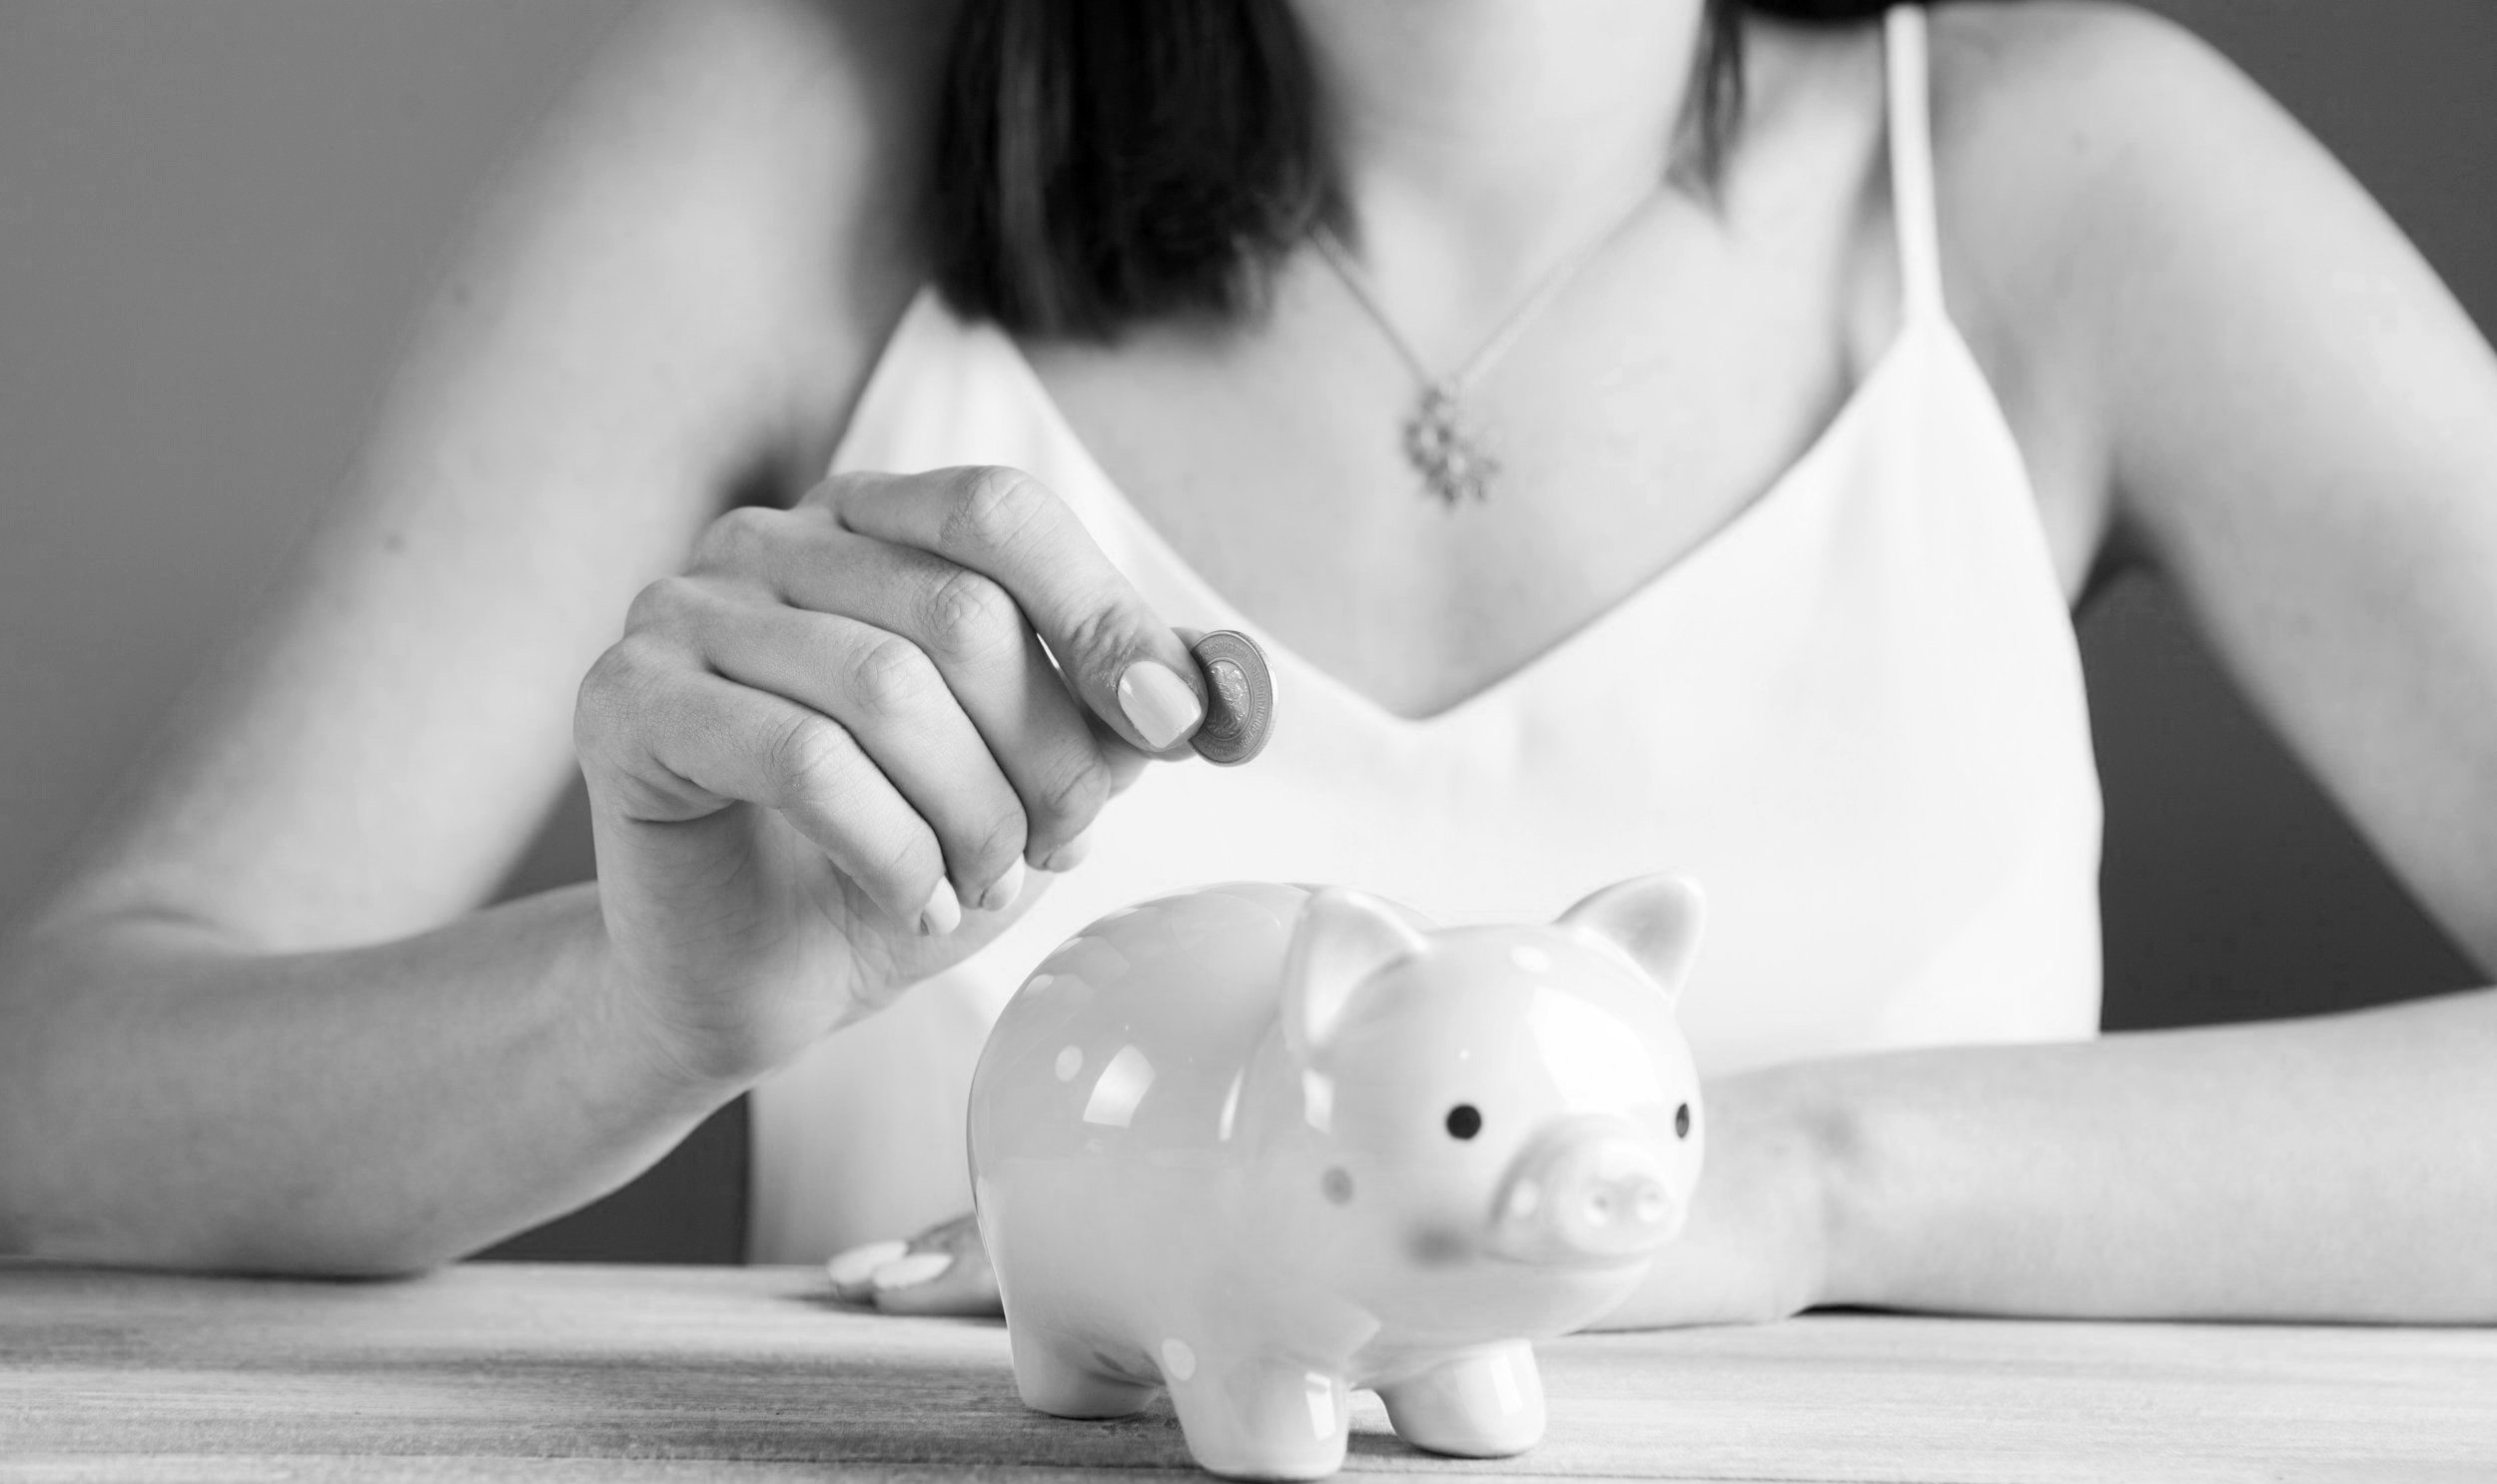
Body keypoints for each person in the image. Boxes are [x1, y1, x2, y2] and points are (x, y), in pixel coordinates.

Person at [2, 0, 2491, 1331]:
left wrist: (1776, 1189)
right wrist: (634, 1023)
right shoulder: (787, 132)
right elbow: (59, 1103)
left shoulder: (2082, 177)